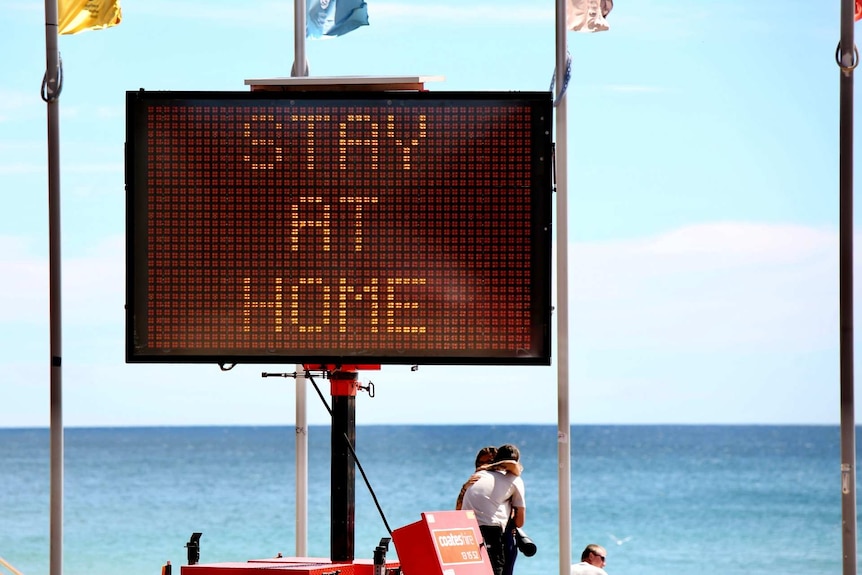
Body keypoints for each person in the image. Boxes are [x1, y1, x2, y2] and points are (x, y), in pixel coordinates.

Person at [459, 444, 526, 575]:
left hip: (466, 529)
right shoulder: (515, 480)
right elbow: (519, 522)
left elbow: (460, 508)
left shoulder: (479, 476)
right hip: (490, 530)